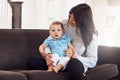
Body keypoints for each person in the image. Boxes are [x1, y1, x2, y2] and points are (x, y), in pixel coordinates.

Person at [27, 3, 98, 80]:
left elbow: (92, 60)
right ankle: (60, 69)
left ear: (83, 20)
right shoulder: (64, 24)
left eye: (74, 19)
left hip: (73, 62)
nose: (70, 20)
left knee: (74, 64)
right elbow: (50, 40)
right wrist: (47, 56)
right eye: (70, 17)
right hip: (57, 59)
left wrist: (75, 56)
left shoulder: (91, 36)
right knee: (31, 60)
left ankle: (73, 72)